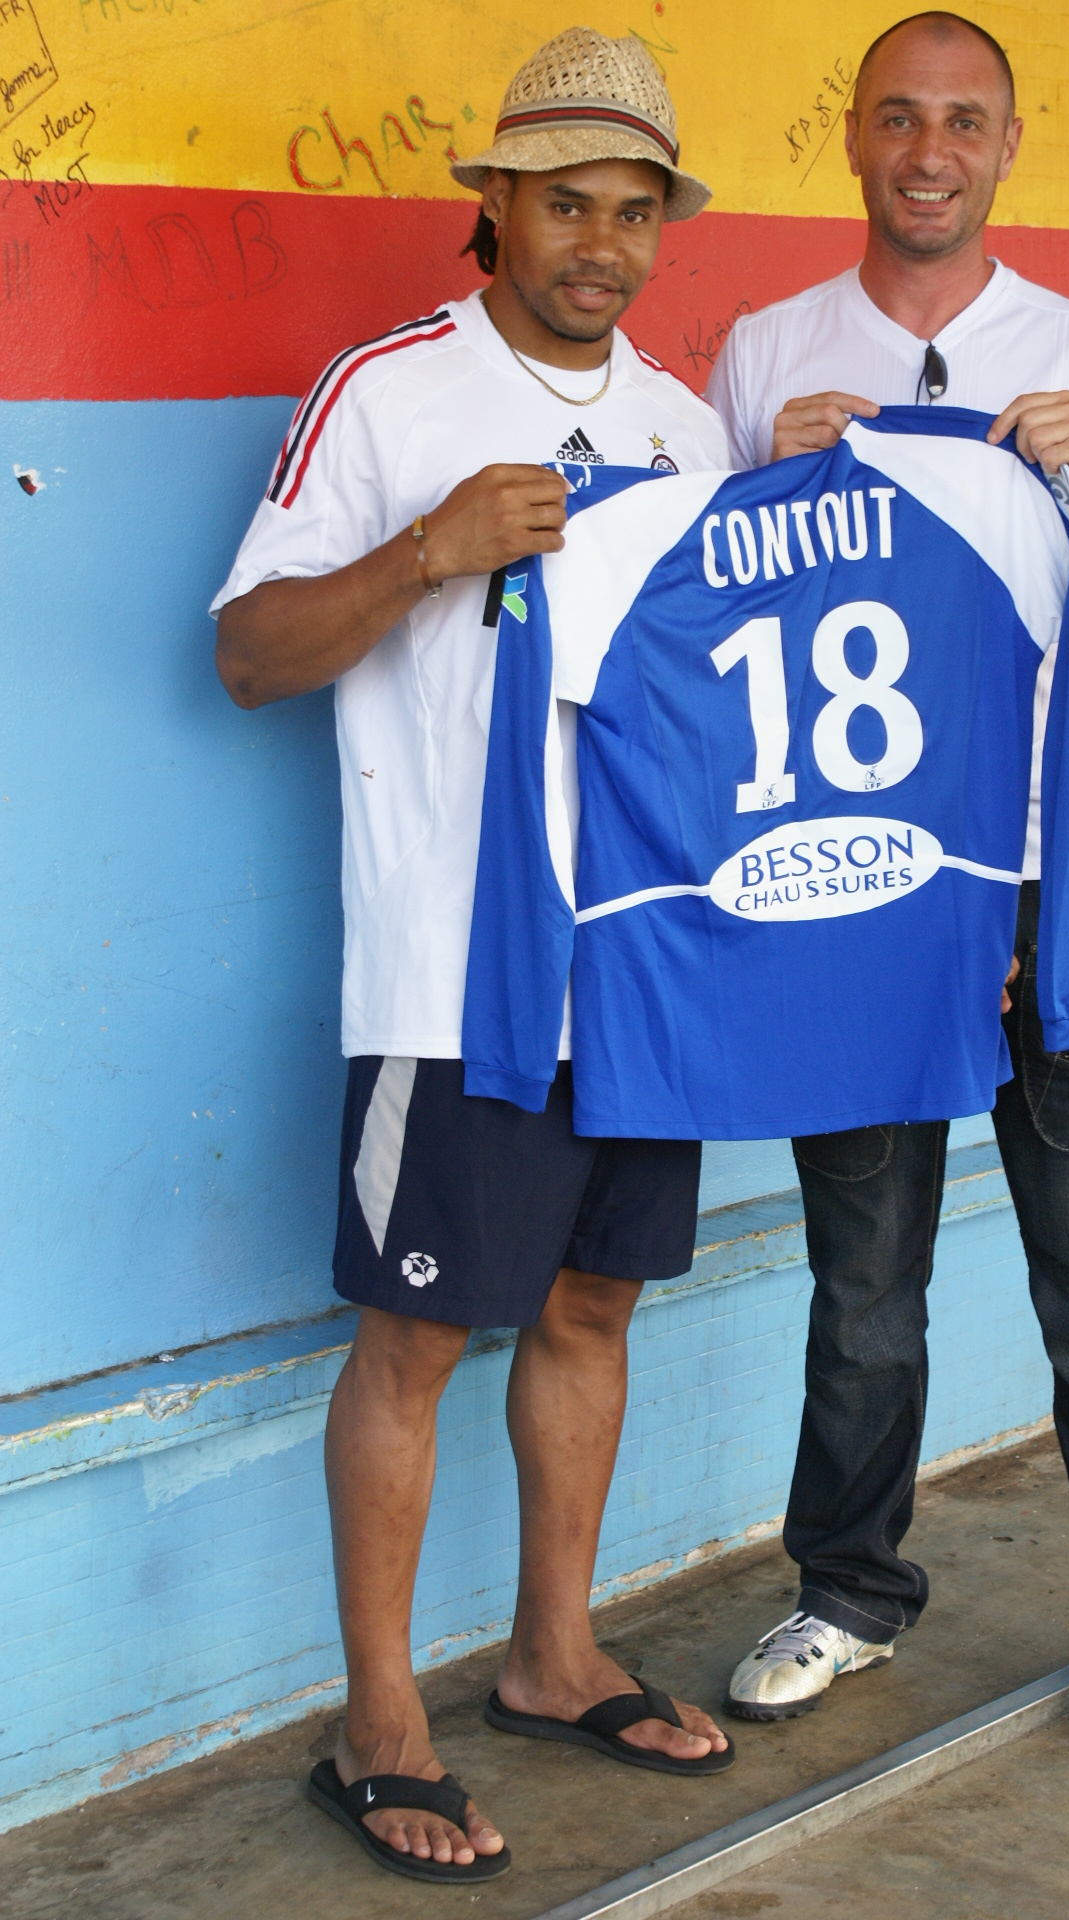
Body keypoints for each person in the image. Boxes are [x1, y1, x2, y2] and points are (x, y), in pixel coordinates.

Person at [212, 28, 733, 1886]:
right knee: (420, 1332)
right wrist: (428, 552)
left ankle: (552, 1656)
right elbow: (249, 654)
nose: (602, 244)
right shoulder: (388, 393)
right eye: (566, 204)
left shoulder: (686, 426)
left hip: (641, 974)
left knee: (594, 1306)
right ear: (495, 205)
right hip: (451, 971)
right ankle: (380, 1724)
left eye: (634, 213)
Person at [707, 10, 1069, 1758]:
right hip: (857, 892)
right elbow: (701, 639)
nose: (930, 151)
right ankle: (849, 1590)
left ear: (1008, 145)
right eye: (899, 117)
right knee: (862, 1282)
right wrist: (756, 485)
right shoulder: (767, 351)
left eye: (964, 121)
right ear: (852, 135)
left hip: (1053, 888)